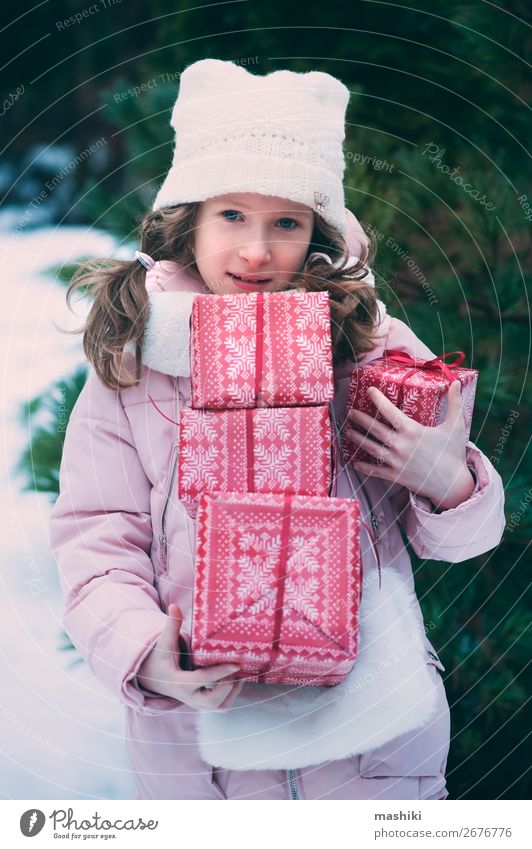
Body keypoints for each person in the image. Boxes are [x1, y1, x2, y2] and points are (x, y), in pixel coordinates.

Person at [49, 59, 505, 801]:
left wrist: (447, 480)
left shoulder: (368, 345)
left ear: (318, 232)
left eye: (286, 222)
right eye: (231, 215)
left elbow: (467, 538)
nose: (256, 251)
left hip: (375, 748)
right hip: (204, 758)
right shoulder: (135, 369)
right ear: (186, 220)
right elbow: (96, 540)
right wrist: (144, 653)